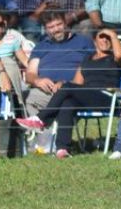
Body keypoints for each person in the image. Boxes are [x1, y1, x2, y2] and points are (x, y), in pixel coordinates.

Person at [15, 28, 121, 158]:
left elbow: (120, 55)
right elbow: (76, 82)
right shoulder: (87, 59)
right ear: (94, 40)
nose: (105, 40)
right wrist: (62, 84)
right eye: (101, 36)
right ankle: (62, 149)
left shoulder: (115, 58)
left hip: (107, 97)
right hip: (87, 97)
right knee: (67, 103)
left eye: (108, 38)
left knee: (67, 87)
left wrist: (112, 34)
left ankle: (41, 119)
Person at [24, 10, 96, 153]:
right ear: (45, 29)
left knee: (65, 100)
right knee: (31, 97)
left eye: (59, 24)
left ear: (66, 23)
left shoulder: (83, 42)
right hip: (47, 91)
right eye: (51, 27)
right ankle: (45, 141)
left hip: (75, 90)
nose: (56, 29)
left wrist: (66, 83)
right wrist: (38, 81)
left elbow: (93, 69)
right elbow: (30, 73)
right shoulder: (41, 46)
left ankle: (47, 140)